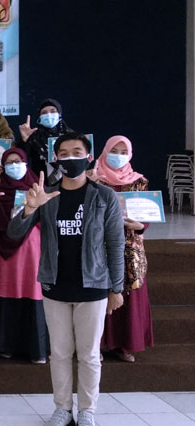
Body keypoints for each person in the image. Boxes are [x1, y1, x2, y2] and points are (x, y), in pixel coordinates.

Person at [7, 133, 125, 426]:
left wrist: (117, 287)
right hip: (54, 284)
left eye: (77, 152)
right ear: (56, 158)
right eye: (63, 153)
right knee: (59, 353)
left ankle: (87, 410)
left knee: (89, 355)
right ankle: (62, 408)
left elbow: (115, 243)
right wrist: (31, 207)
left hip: (93, 285)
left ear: (88, 157)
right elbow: (14, 233)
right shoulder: (46, 194)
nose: (70, 157)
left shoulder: (104, 196)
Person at [96, 135, 154, 362]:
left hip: (129, 248)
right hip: (100, 246)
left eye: (123, 152)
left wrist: (140, 226)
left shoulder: (139, 182)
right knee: (100, 293)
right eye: (114, 150)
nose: (118, 156)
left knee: (129, 293)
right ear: (105, 151)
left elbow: (147, 214)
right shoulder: (94, 179)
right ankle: (98, 344)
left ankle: (124, 344)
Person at [0, 148, 48, 363]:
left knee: (33, 295)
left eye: (18, 161)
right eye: (9, 162)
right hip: (4, 254)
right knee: (6, 294)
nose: (14, 166)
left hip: (32, 251)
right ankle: (5, 345)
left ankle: (37, 349)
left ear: (26, 162)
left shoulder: (38, 189)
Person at [16, 98, 73, 181]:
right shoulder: (34, 136)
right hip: (40, 183)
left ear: (59, 114)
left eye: (53, 111)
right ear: (40, 117)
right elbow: (22, 159)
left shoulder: (70, 136)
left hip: (68, 181)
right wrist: (24, 140)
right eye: (44, 113)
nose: (49, 115)